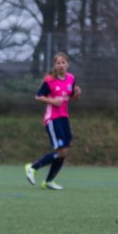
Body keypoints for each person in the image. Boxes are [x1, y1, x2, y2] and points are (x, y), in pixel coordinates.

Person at [25, 52, 81, 191]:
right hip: (52, 119)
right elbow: (38, 97)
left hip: (64, 118)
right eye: (58, 63)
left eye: (63, 62)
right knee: (61, 152)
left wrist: (77, 95)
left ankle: (49, 181)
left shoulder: (71, 78)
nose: (61, 65)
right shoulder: (50, 80)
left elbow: (71, 97)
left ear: (67, 64)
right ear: (54, 66)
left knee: (65, 152)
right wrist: (52, 101)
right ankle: (33, 167)